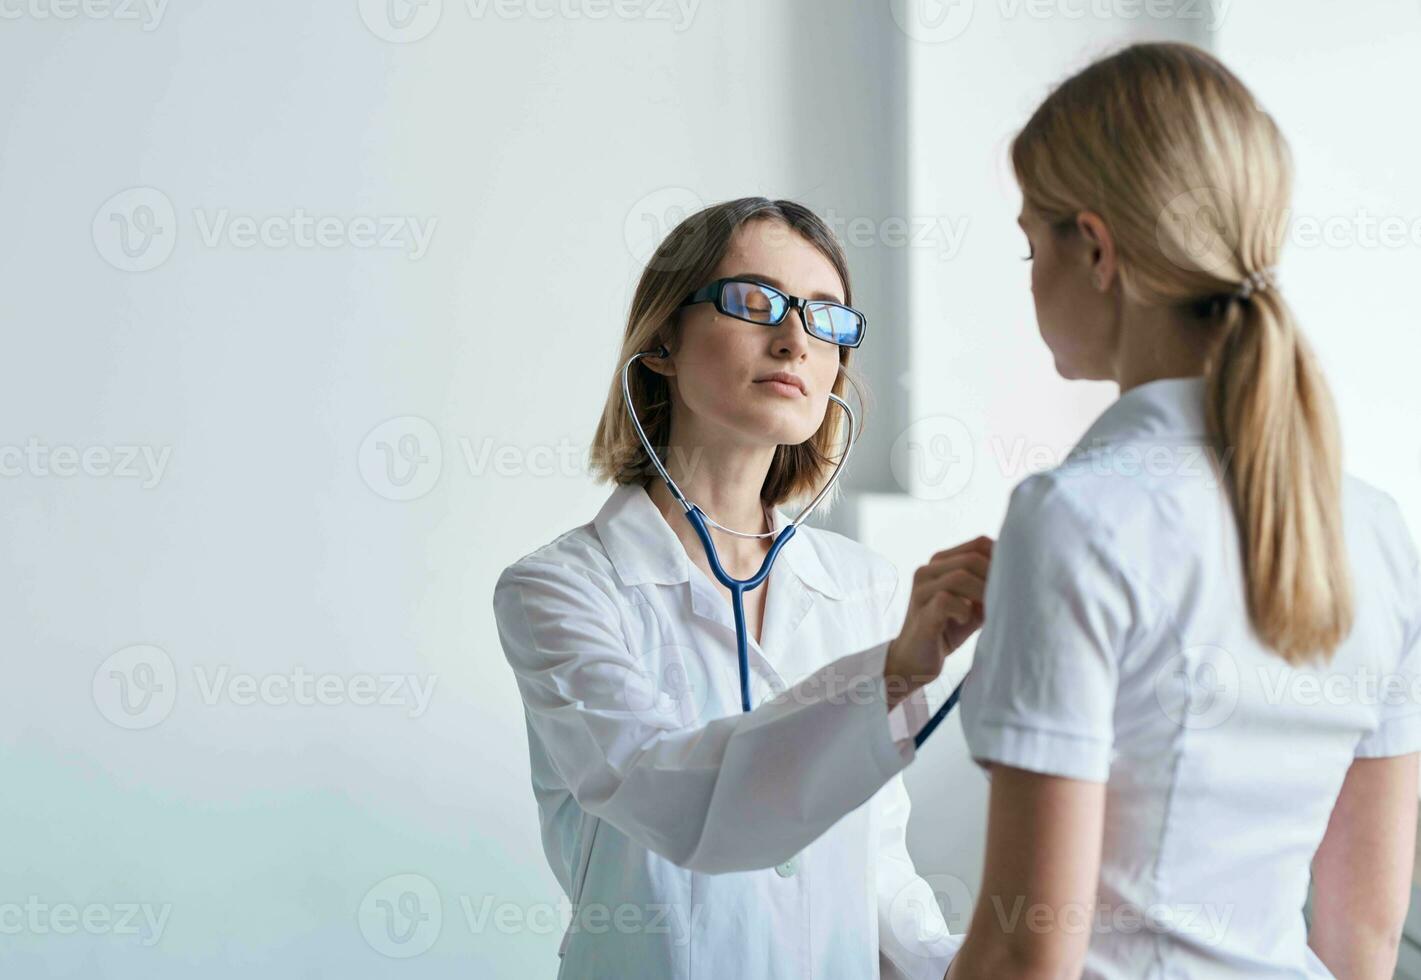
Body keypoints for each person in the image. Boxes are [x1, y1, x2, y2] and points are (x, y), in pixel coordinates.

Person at [946, 43, 1421, 979]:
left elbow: (1021, 948)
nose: (1029, 275)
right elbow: (1363, 937)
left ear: (1096, 247)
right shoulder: (1374, 530)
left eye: (1029, 242)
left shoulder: (1074, 517)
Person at [494, 197, 992, 978]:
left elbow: (877, 872)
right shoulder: (558, 592)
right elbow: (676, 800)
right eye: (754, 302)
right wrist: (891, 673)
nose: (793, 339)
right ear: (662, 340)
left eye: (825, 317)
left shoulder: (862, 585)